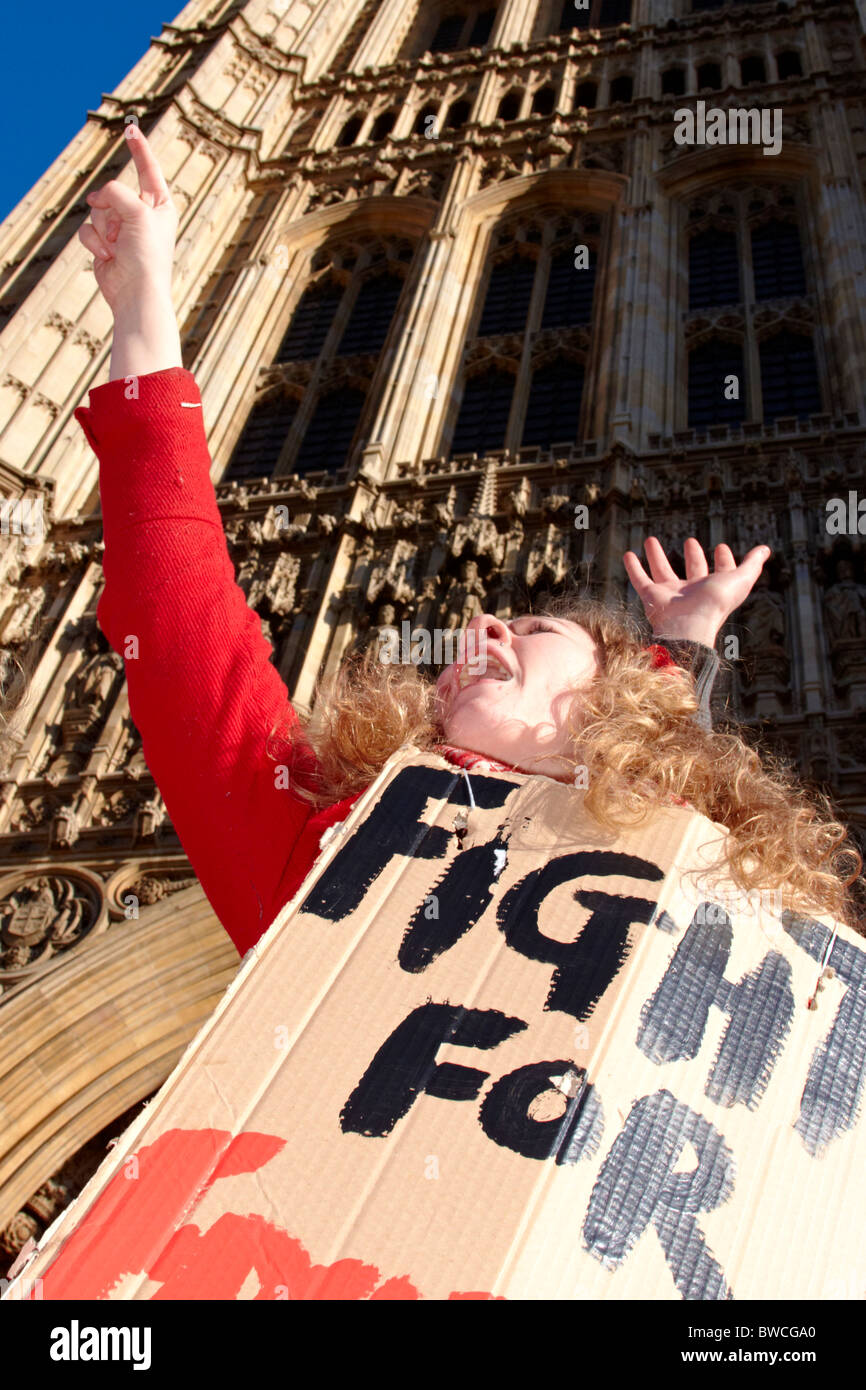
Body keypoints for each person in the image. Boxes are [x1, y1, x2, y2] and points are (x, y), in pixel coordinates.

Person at [75, 129, 861, 958]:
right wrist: (143, 300)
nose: (481, 626)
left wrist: (683, 651)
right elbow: (179, 616)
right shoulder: (318, 848)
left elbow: (666, 749)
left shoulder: (706, 882)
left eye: (534, 629)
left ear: (617, 705)